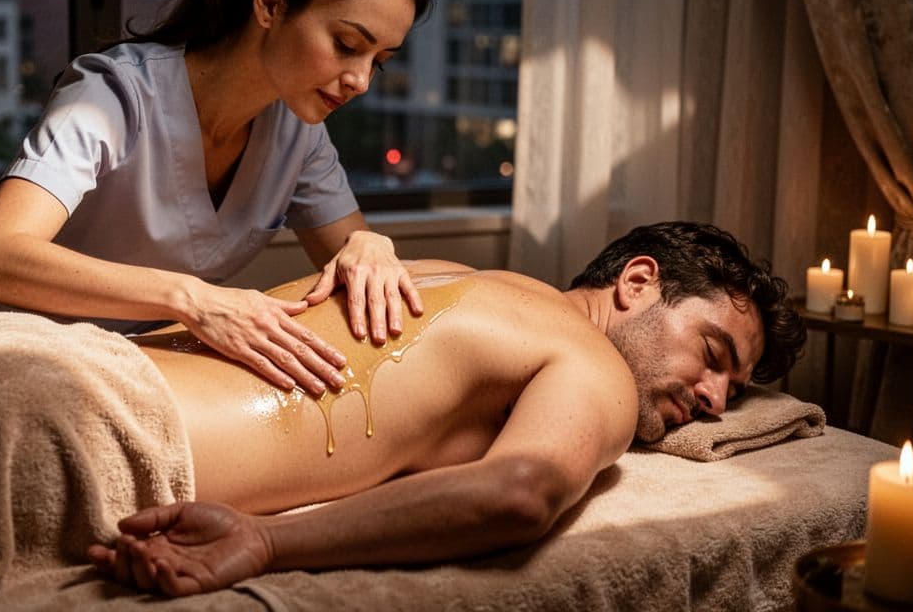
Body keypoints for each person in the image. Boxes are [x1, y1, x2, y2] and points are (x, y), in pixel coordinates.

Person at [85, 221, 805, 595]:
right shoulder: (595, 365)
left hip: (64, 359)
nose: (713, 400)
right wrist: (267, 543)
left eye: (734, 393)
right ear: (638, 282)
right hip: (99, 422)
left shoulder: (455, 279)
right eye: (714, 355)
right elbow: (517, 494)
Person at [0, 0, 433, 398]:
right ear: (270, 2)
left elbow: (360, 275)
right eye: (348, 44)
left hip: (120, 379)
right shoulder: (114, 96)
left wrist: (372, 246)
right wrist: (191, 299)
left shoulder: (298, 134)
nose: (360, 81)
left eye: (379, 61)